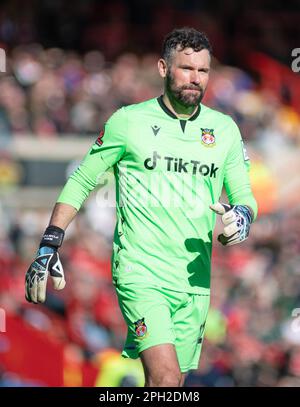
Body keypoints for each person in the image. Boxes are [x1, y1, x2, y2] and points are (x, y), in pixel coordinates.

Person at [25, 27, 258, 387]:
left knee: (170, 386)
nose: (195, 79)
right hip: (141, 272)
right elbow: (83, 179)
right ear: (163, 68)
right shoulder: (128, 121)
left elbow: (244, 196)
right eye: (186, 69)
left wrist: (241, 217)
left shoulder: (224, 129)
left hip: (194, 280)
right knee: (165, 379)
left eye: (203, 71)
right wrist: (50, 242)